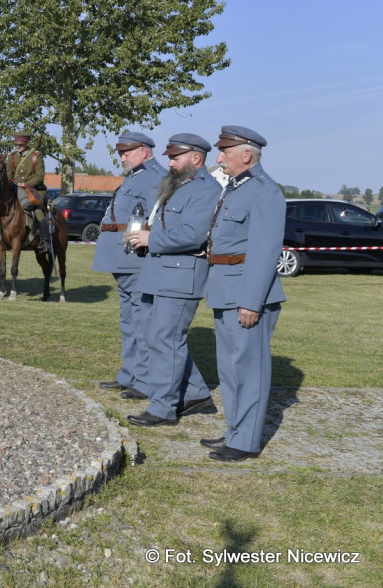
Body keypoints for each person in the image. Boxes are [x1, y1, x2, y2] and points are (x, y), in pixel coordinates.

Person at [201, 125, 286, 461]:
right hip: (225, 288)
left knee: (249, 369)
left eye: (225, 152)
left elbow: (265, 252)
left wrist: (251, 301)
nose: (219, 158)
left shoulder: (264, 190)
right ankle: (235, 430)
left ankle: (246, 441)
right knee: (231, 369)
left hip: (247, 295)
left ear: (246, 155)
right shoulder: (236, 188)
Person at [125, 134, 220, 427]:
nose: (170, 162)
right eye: (169, 157)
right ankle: (196, 394)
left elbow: (193, 234)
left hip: (181, 276)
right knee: (157, 337)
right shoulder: (179, 186)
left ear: (196, 157)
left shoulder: (206, 189)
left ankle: (163, 408)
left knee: (167, 339)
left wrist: (152, 238)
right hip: (160, 273)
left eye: (175, 157)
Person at [92, 132, 167, 399]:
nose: (122, 157)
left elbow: (157, 217)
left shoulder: (155, 176)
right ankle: (129, 374)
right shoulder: (136, 175)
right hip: (122, 259)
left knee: (141, 320)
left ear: (144, 151)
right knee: (129, 320)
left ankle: (144, 380)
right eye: (121, 152)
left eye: (127, 152)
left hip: (136, 258)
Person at [6, 133, 49, 246]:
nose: (17, 146)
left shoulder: (36, 155)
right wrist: (15, 183)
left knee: (38, 212)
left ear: (27, 143)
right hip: (16, 189)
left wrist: (24, 184)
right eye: (16, 144)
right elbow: (9, 176)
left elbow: (39, 177)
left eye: (20, 144)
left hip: (36, 190)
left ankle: (45, 241)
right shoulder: (12, 157)